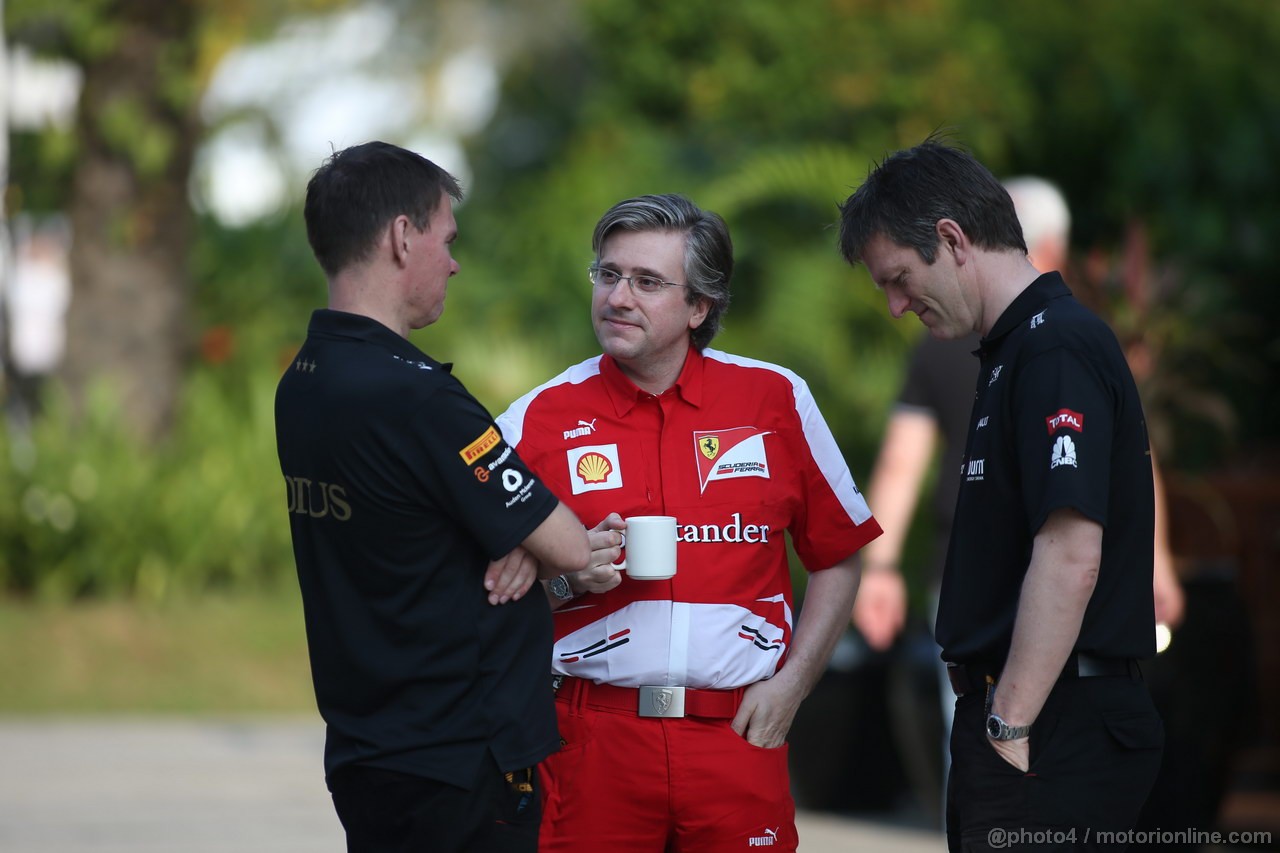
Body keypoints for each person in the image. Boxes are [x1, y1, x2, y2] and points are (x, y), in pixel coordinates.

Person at [495, 193, 882, 851]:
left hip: (735, 736)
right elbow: (483, 584)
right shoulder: (538, 418)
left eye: (647, 282)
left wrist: (793, 685)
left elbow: (839, 554)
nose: (618, 296)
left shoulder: (775, 398)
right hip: (591, 742)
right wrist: (567, 579)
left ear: (699, 306)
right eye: (608, 273)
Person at [839, 140, 1164, 851]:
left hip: (1053, 729)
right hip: (1040, 723)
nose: (895, 306)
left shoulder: (1053, 349)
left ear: (952, 239)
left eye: (897, 278)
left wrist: (1008, 726)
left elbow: (1071, 550)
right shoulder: (1014, 348)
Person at [274, 141, 590, 853]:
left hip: (366, 750)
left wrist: (520, 546)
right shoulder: (417, 397)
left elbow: (408, 522)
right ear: (400, 235)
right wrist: (533, 549)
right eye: (447, 239)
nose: (453, 262)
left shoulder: (302, 381)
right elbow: (570, 544)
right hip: (460, 760)